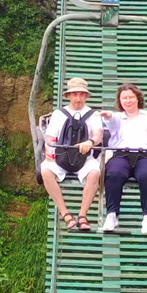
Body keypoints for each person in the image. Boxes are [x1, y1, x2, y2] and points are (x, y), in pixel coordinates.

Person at [100, 84, 147, 235]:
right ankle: (112, 214)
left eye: (131, 97)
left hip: (145, 154)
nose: (128, 101)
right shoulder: (118, 117)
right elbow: (111, 123)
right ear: (120, 101)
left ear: (137, 98)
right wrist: (108, 116)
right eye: (124, 98)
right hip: (122, 154)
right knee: (114, 173)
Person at [40, 77, 103, 231]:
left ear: (86, 96)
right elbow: (50, 137)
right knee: (45, 171)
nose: (78, 98)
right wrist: (50, 150)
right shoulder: (59, 114)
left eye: (82, 95)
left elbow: (98, 135)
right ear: (68, 96)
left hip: (84, 157)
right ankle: (66, 214)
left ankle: (82, 215)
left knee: (94, 173)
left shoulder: (93, 114)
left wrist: (90, 142)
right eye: (75, 94)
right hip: (61, 156)